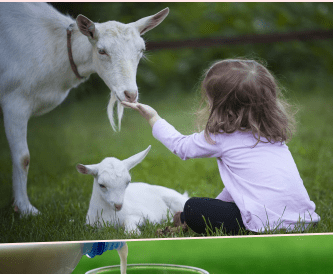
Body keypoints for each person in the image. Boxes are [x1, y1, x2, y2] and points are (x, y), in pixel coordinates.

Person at [123, 58, 320, 235]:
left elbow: (181, 147)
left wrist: (153, 118)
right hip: (303, 220)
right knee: (199, 209)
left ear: (222, 105)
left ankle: (185, 219)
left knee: (193, 207)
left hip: (263, 223)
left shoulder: (222, 137)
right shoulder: (273, 137)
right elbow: (241, 189)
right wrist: (217, 205)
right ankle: (184, 220)